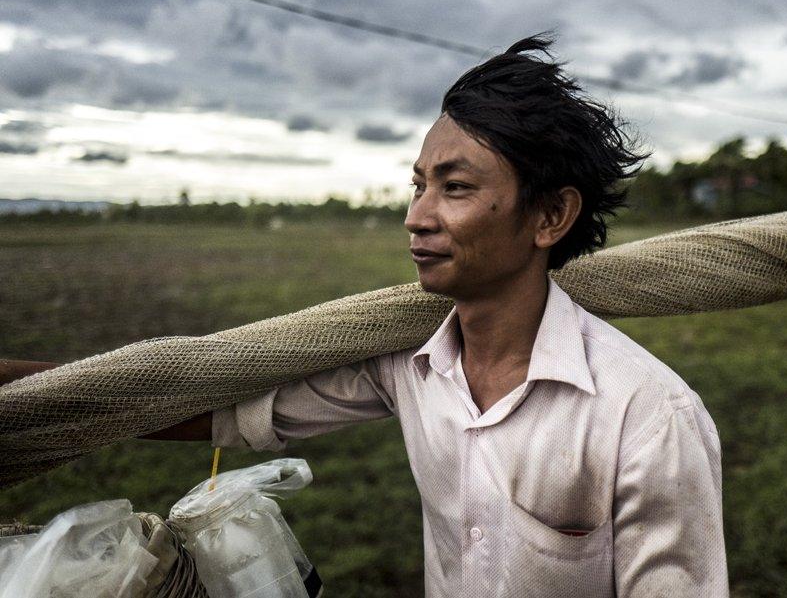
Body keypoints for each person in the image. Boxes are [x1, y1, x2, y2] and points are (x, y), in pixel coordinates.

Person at [2, 33, 728, 597]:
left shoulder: (648, 416)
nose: (417, 217)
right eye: (417, 185)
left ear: (551, 215)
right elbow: (219, 407)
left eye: (455, 187)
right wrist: (22, 394)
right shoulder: (409, 365)